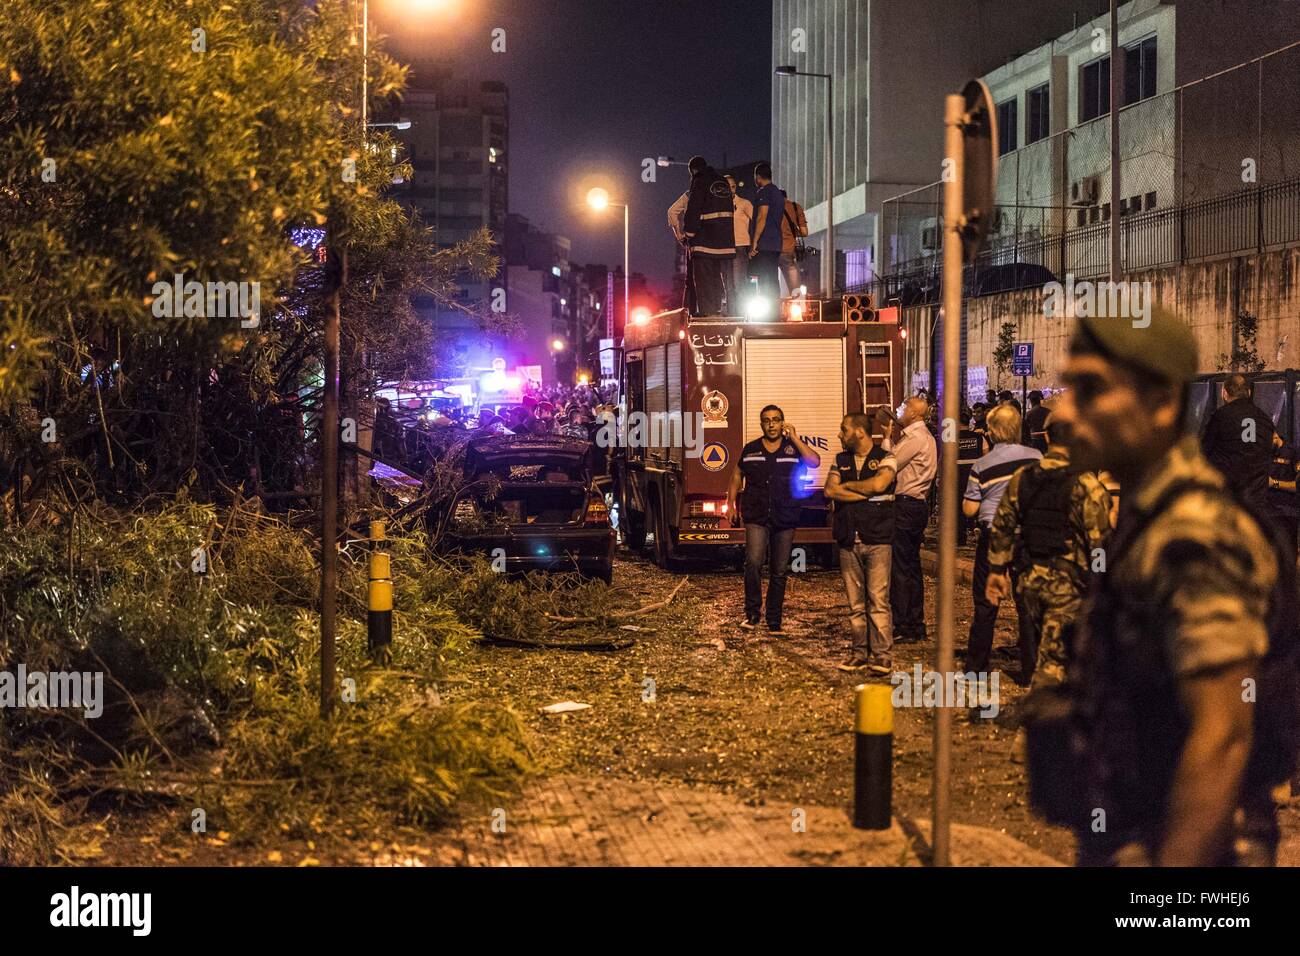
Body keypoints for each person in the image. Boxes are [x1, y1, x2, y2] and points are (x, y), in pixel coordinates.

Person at [1037, 303, 1299, 867]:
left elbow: (1223, 734)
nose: (1064, 412)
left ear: (1160, 403)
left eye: (1090, 390)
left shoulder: (1193, 533)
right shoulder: (1150, 517)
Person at [984, 416, 1111, 689]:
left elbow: (1003, 525)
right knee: (1057, 664)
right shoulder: (1087, 485)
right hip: (1067, 585)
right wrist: (1099, 581)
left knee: (1036, 643)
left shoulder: (1024, 478)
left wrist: (996, 571)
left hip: (1029, 579)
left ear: (1046, 438)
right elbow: (1098, 542)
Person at [962, 402, 1041, 678]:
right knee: (1027, 602)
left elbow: (969, 509)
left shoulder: (982, 464)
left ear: (993, 431)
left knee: (986, 602)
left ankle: (977, 667)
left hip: (994, 535)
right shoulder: (1036, 458)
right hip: (1028, 537)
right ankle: (1031, 668)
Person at [726, 404, 820, 635]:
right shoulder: (751, 449)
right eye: (767, 420)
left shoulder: (792, 449)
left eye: (776, 420)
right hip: (756, 515)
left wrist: (796, 438)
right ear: (761, 424)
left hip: (785, 515)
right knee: (754, 563)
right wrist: (730, 503)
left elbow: (815, 461)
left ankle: (774, 619)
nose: (771, 424)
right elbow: (737, 475)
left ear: (782, 423)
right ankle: (752, 613)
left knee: (779, 570)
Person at [825, 409, 897, 674]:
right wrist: (864, 490)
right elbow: (830, 490)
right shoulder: (840, 459)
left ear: (859, 432)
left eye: (844, 429)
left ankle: (881, 656)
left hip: (877, 538)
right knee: (855, 604)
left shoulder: (886, 457)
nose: (840, 434)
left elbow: (881, 485)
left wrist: (850, 487)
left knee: (878, 600)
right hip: (847, 539)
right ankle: (859, 653)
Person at [888, 397, 937, 643]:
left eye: (904, 406)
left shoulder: (916, 438)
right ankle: (914, 623)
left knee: (901, 568)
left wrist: (886, 444)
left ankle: (904, 624)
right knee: (911, 567)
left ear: (915, 413)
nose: (899, 409)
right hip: (914, 505)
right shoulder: (917, 436)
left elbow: (890, 464)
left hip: (906, 505)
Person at [1200, 372, 1277, 515]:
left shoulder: (1221, 416)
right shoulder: (1265, 419)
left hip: (1228, 499)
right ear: (1248, 392)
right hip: (1257, 500)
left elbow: (1204, 452)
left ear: (1224, 393)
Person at [682, 156, 734, 316]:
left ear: (693, 170)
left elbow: (694, 207)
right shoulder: (722, 181)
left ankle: (708, 313)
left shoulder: (699, 180)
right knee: (716, 278)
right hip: (724, 240)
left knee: (703, 279)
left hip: (705, 239)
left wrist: (689, 233)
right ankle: (717, 310)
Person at [748, 163, 785, 302]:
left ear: (758, 177)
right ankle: (774, 310)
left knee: (764, 278)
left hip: (765, 242)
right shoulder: (778, 193)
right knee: (772, 278)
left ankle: (766, 311)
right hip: (776, 242)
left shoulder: (763, 192)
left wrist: (755, 241)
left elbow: (762, 217)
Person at [722, 174, 754, 315]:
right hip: (723, 249)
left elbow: (758, 223)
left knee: (738, 285)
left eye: (733, 186)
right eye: (728, 186)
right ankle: (732, 318)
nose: (732, 189)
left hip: (740, 246)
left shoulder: (744, 203)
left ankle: (742, 318)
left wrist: (754, 244)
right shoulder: (719, 206)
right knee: (728, 287)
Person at [778, 190, 808, 296]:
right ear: (786, 197)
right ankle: (796, 307)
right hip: (788, 250)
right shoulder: (796, 207)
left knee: (770, 285)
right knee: (795, 289)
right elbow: (804, 232)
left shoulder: (769, 208)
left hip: (771, 250)